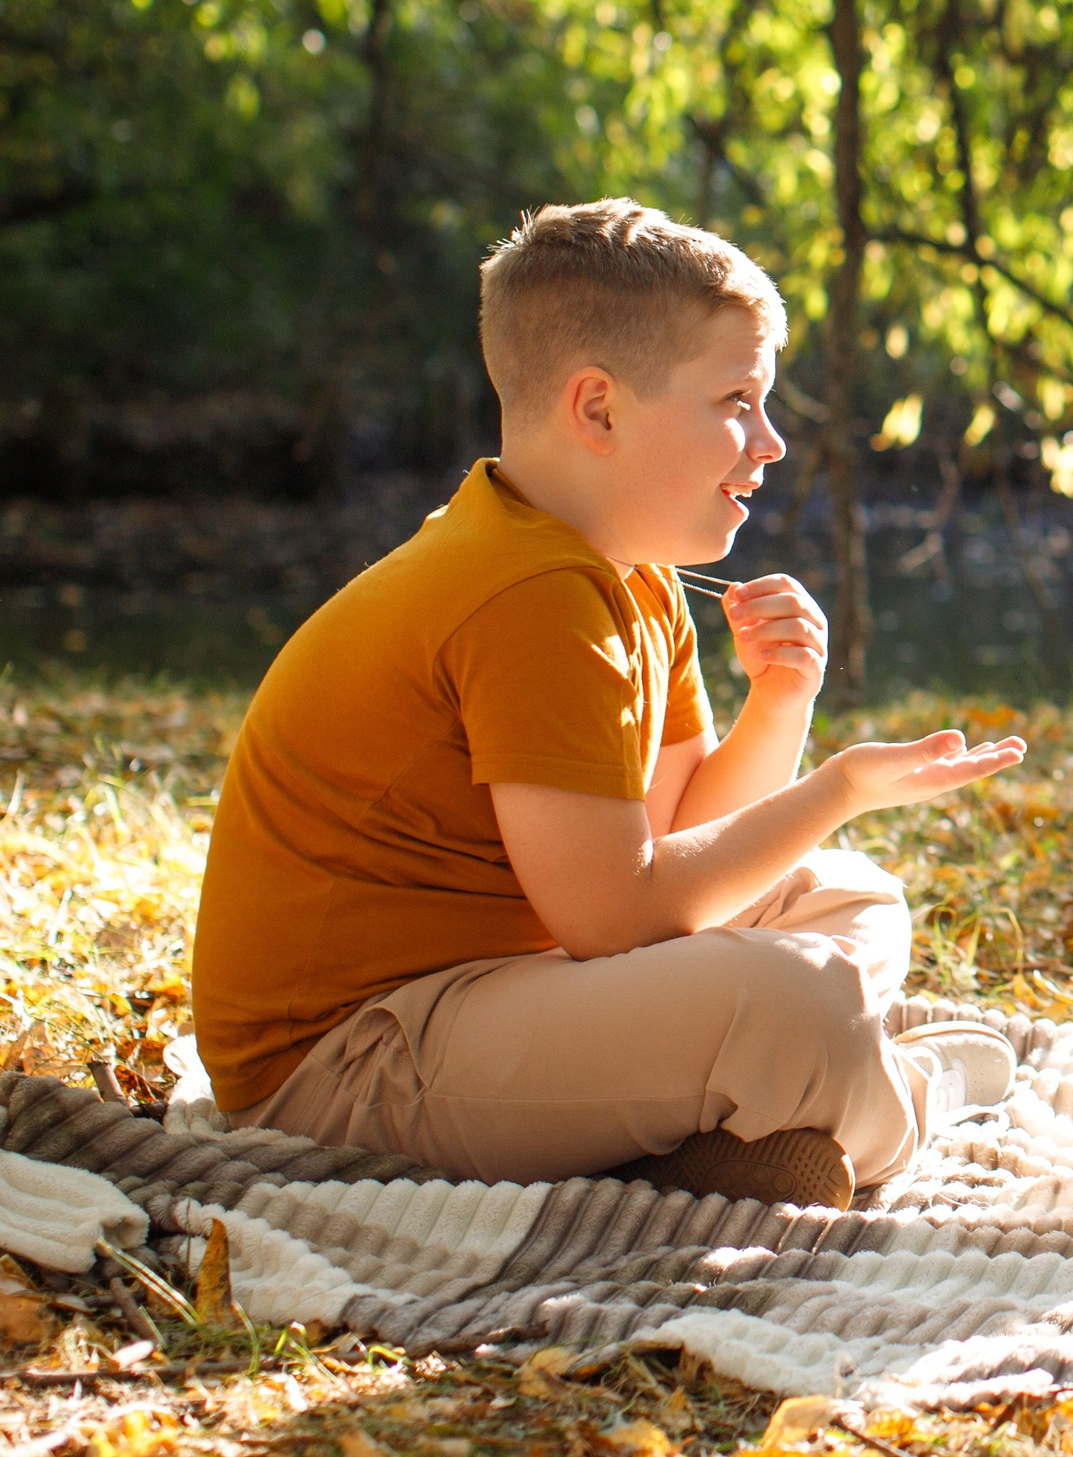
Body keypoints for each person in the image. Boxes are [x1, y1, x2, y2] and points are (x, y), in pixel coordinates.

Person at [191, 199, 1026, 1207]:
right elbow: (617, 917)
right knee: (798, 1000)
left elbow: (686, 835)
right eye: (736, 399)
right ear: (598, 410)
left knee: (849, 898)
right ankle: (914, 1095)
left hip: (499, 987)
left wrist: (780, 702)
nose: (770, 442)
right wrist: (839, 785)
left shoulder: (627, 573)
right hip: (347, 1063)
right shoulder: (528, 593)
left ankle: (694, 1143)